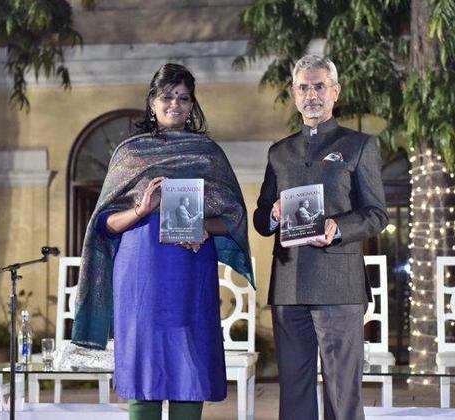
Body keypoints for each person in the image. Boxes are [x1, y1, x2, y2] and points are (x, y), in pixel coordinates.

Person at [70, 63, 254, 420]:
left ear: (192, 105)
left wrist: (204, 227)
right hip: (139, 280)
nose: (175, 104)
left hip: (190, 274)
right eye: (167, 96)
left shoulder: (208, 154)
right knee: (145, 369)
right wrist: (140, 210)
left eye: (184, 98)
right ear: (152, 102)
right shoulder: (130, 154)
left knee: (191, 365)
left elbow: (234, 218)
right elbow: (104, 224)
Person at [253, 54, 389, 420]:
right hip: (288, 288)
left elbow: (377, 214)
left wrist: (338, 228)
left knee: (343, 396)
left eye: (318, 86)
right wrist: (273, 215)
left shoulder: (359, 146)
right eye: (303, 87)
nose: (311, 95)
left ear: (335, 92)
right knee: (294, 396)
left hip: (340, 288)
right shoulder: (279, 153)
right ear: (294, 95)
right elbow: (261, 217)